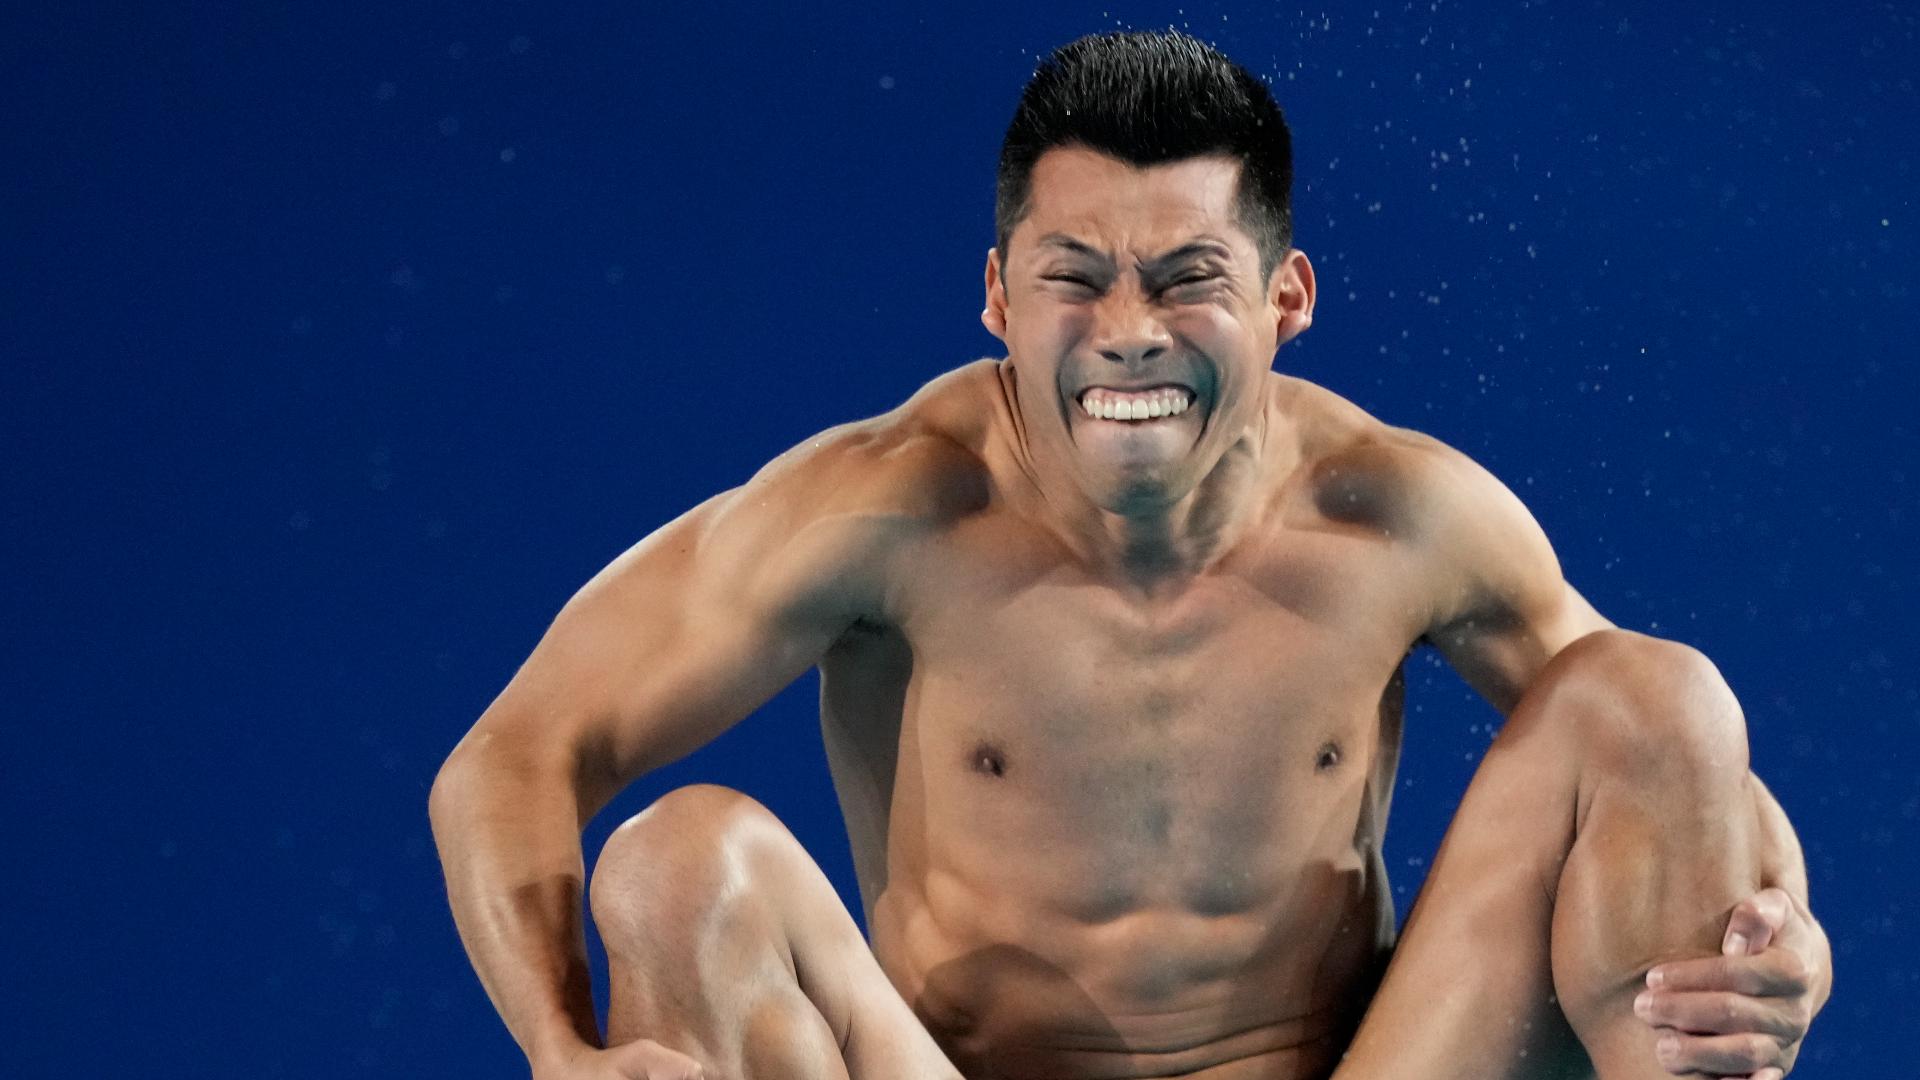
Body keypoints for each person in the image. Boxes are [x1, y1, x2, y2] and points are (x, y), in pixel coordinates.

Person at [429, 29, 1831, 1080]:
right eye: (1074, 275)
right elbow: (513, 757)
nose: (1127, 330)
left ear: (1287, 298)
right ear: (997, 294)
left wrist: (1787, 942)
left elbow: (1682, 777)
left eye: (1187, 278)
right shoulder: (881, 511)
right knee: (676, 865)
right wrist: (561, 1047)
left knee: (1659, 693)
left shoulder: (1396, 513)